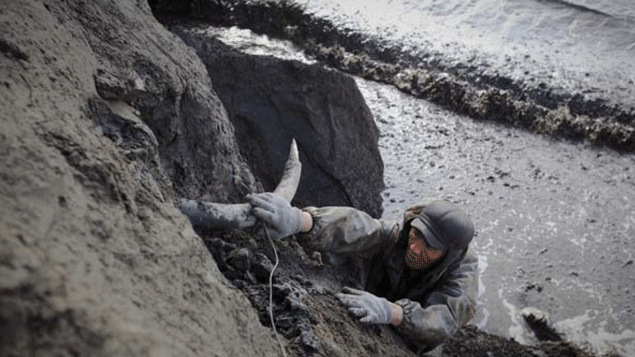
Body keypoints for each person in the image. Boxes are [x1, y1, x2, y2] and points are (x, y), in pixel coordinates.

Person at [247, 192, 478, 356]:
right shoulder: (400, 238)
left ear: (447, 254)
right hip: (367, 306)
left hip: (416, 342)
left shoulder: (462, 278)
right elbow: (359, 227)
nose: (416, 248)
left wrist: (393, 312)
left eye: (429, 247)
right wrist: (302, 221)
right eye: (417, 236)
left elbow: (443, 320)